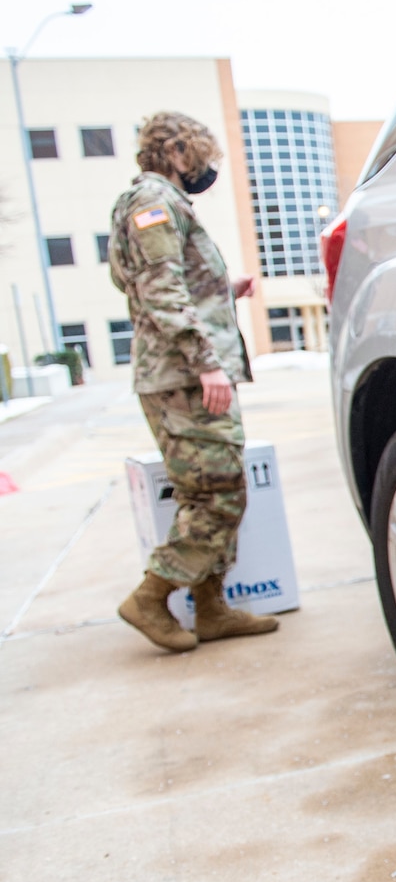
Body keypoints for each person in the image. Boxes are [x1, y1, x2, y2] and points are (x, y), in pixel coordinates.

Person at [108, 112, 278, 652]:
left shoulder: (156, 204)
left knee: (205, 489)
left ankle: (211, 608)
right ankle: (150, 596)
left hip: (179, 371)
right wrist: (207, 362)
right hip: (183, 377)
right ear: (179, 152)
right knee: (219, 494)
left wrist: (224, 287)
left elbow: (161, 281)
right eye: (201, 154)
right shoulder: (152, 204)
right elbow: (160, 291)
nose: (207, 167)